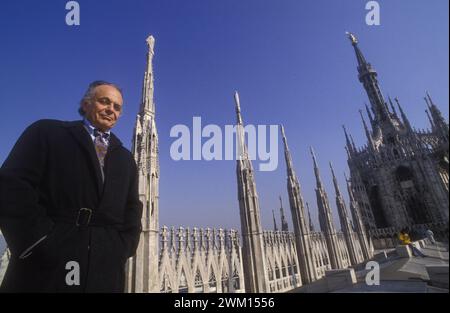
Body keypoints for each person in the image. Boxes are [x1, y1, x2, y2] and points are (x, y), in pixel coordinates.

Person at [0, 81, 143, 292]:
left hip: (105, 267)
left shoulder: (125, 158)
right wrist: (39, 243)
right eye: (104, 101)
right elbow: (11, 186)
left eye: (117, 106)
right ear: (86, 104)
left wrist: (122, 247)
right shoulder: (48, 132)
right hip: (46, 268)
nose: (110, 109)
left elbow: (133, 208)